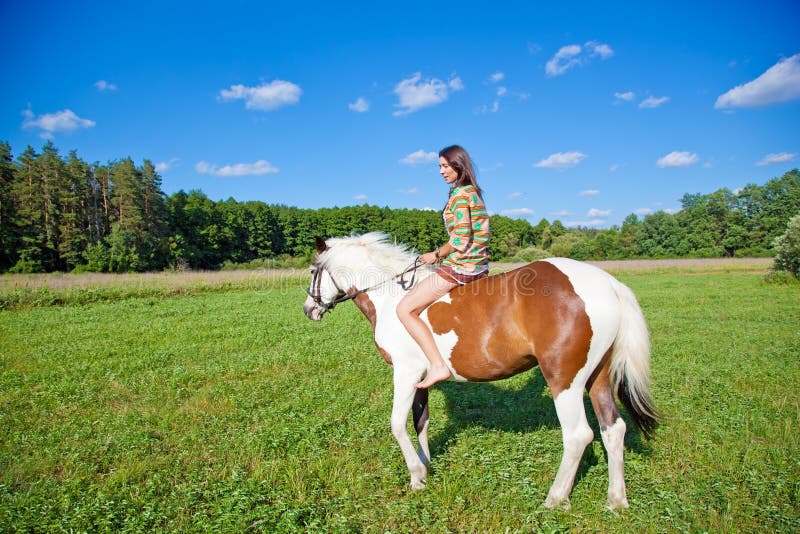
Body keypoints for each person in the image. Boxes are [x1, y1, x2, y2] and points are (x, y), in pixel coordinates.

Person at [396, 145, 490, 389]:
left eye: (445, 166)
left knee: (405, 309)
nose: (441, 171)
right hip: (478, 264)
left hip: (462, 266)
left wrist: (435, 255)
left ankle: (437, 365)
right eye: (440, 166)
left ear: (459, 165)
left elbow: (460, 238)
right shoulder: (471, 191)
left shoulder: (460, 195)